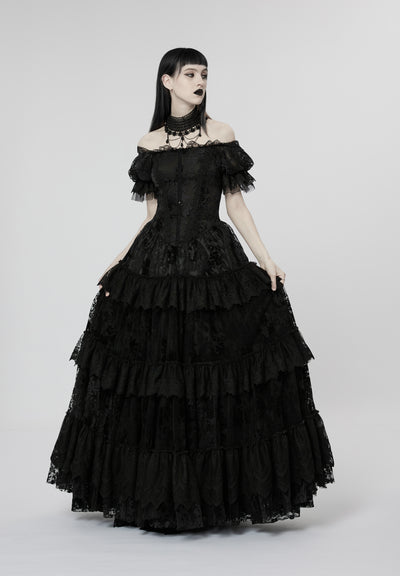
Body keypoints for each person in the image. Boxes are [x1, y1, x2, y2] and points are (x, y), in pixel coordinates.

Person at [46, 47, 335, 534]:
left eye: (204, 74)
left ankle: (214, 495)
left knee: (212, 374)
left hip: (210, 262)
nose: (200, 81)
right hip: (157, 265)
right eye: (190, 74)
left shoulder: (221, 134)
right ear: (167, 81)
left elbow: (235, 205)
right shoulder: (149, 143)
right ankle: (158, 495)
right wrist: (119, 260)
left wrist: (265, 257)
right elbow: (151, 216)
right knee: (159, 378)